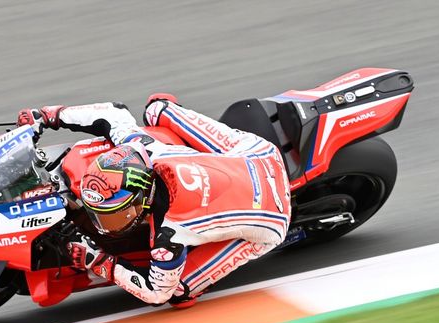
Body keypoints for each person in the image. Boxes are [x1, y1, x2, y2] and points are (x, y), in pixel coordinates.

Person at [17, 96, 291, 307]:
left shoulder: (168, 238)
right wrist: (49, 116)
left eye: (110, 214)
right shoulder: (144, 148)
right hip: (257, 154)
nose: (103, 223)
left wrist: (98, 260)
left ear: (140, 202)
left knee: (179, 293)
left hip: (272, 215)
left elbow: (156, 293)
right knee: (156, 108)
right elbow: (112, 113)